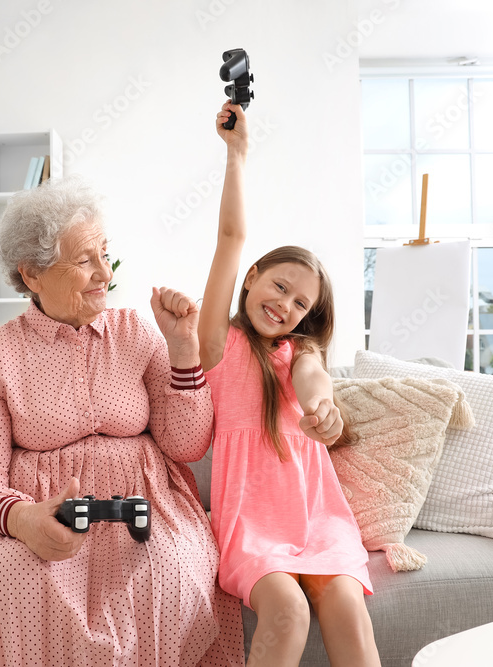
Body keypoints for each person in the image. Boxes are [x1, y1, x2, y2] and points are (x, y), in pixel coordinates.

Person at [0, 176, 245, 667]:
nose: (105, 273)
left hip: (144, 505)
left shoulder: (137, 330)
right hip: (36, 511)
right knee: (14, 580)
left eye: (105, 253)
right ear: (32, 274)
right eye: (83, 260)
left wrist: (184, 351)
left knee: (169, 569)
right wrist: (25, 520)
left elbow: (187, 445)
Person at [198, 102, 381, 667]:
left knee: (348, 609)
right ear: (251, 278)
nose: (284, 305)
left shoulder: (300, 351)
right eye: (279, 287)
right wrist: (237, 155)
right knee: (289, 610)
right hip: (251, 522)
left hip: (318, 515)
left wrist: (322, 408)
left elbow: (313, 379)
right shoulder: (215, 343)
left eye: (300, 303)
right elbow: (231, 235)